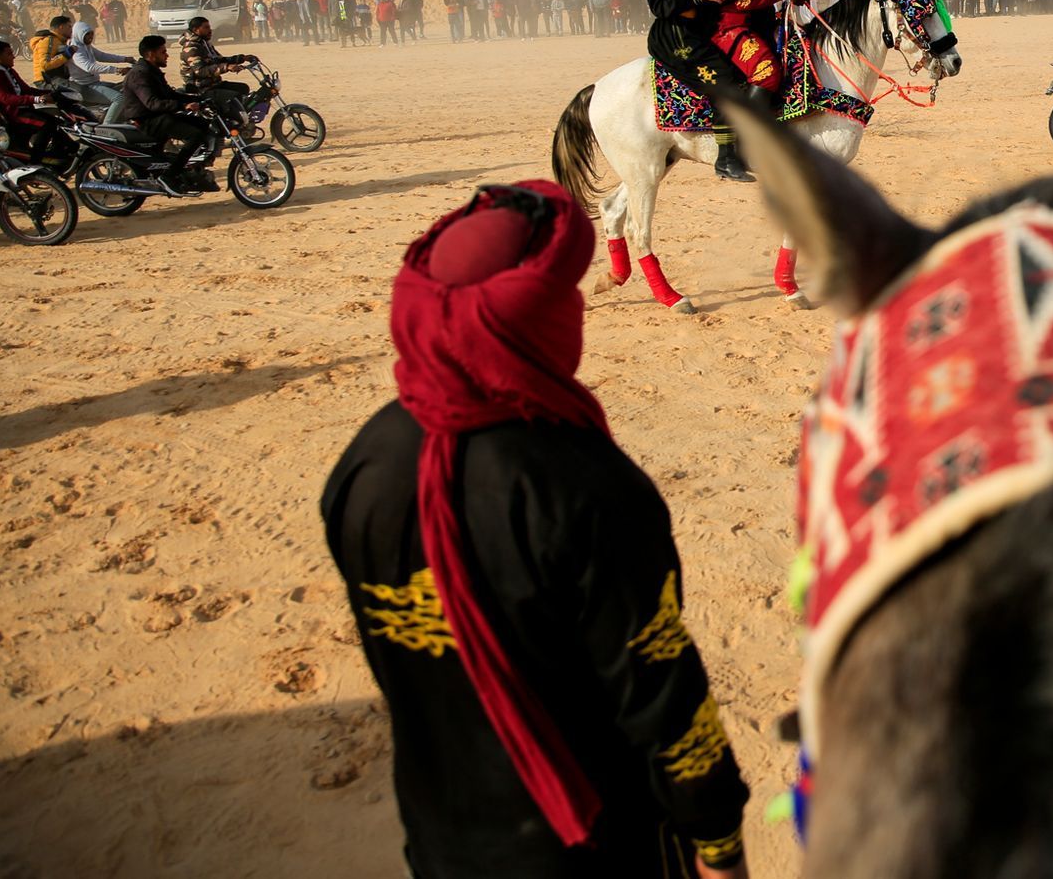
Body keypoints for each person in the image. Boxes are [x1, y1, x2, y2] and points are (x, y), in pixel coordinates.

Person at [321, 182, 752, 879]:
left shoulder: (365, 462)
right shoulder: (583, 486)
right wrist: (719, 843)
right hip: (588, 844)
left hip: (440, 835)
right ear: (537, 321)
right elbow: (658, 690)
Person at [640, 0, 752, 181]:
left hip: (692, 30)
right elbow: (660, 4)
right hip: (675, 37)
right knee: (725, 81)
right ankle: (726, 159)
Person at [123, 35, 213, 189]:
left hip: (159, 116)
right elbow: (152, 103)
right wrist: (183, 106)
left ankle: (194, 167)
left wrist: (199, 99)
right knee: (194, 135)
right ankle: (170, 175)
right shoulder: (139, 74)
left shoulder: (152, 71)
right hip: (147, 120)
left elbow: (170, 94)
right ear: (151, 55)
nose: (167, 55)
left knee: (204, 124)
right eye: (163, 52)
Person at [0, 39, 64, 161]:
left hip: (21, 109)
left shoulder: (7, 70)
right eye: (9, 54)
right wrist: (37, 99)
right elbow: (6, 99)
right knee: (47, 125)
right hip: (10, 113)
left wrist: (51, 93)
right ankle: (37, 160)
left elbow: (25, 89)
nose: (14, 56)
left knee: (57, 121)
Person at [178, 16, 253, 123]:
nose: (210, 30)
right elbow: (201, 71)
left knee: (243, 88)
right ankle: (231, 124)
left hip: (213, 84)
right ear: (196, 30)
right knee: (232, 96)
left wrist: (241, 58)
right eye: (206, 28)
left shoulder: (204, 44)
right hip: (200, 88)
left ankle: (239, 120)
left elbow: (218, 59)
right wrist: (226, 67)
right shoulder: (191, 48)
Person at [64, 20, 133, 113]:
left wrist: (125, 59)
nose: (90, 37)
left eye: (91, 34)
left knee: (122, 87)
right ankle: (108, 126)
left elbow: (102, 56)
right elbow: (89, 67)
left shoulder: (86, 46)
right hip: (85, 86)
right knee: (119, 99)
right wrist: (117, 70)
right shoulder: (75, 49)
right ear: (79, 34)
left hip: (95, 83)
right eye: (87, 34)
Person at [28, 14, 74, 89]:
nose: (71, 30)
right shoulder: (48, 41)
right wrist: (67, 55)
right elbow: (45, 64)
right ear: (61, 27)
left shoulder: (59, 41)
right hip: (46, 81)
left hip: (56, 79)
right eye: (69, 26)